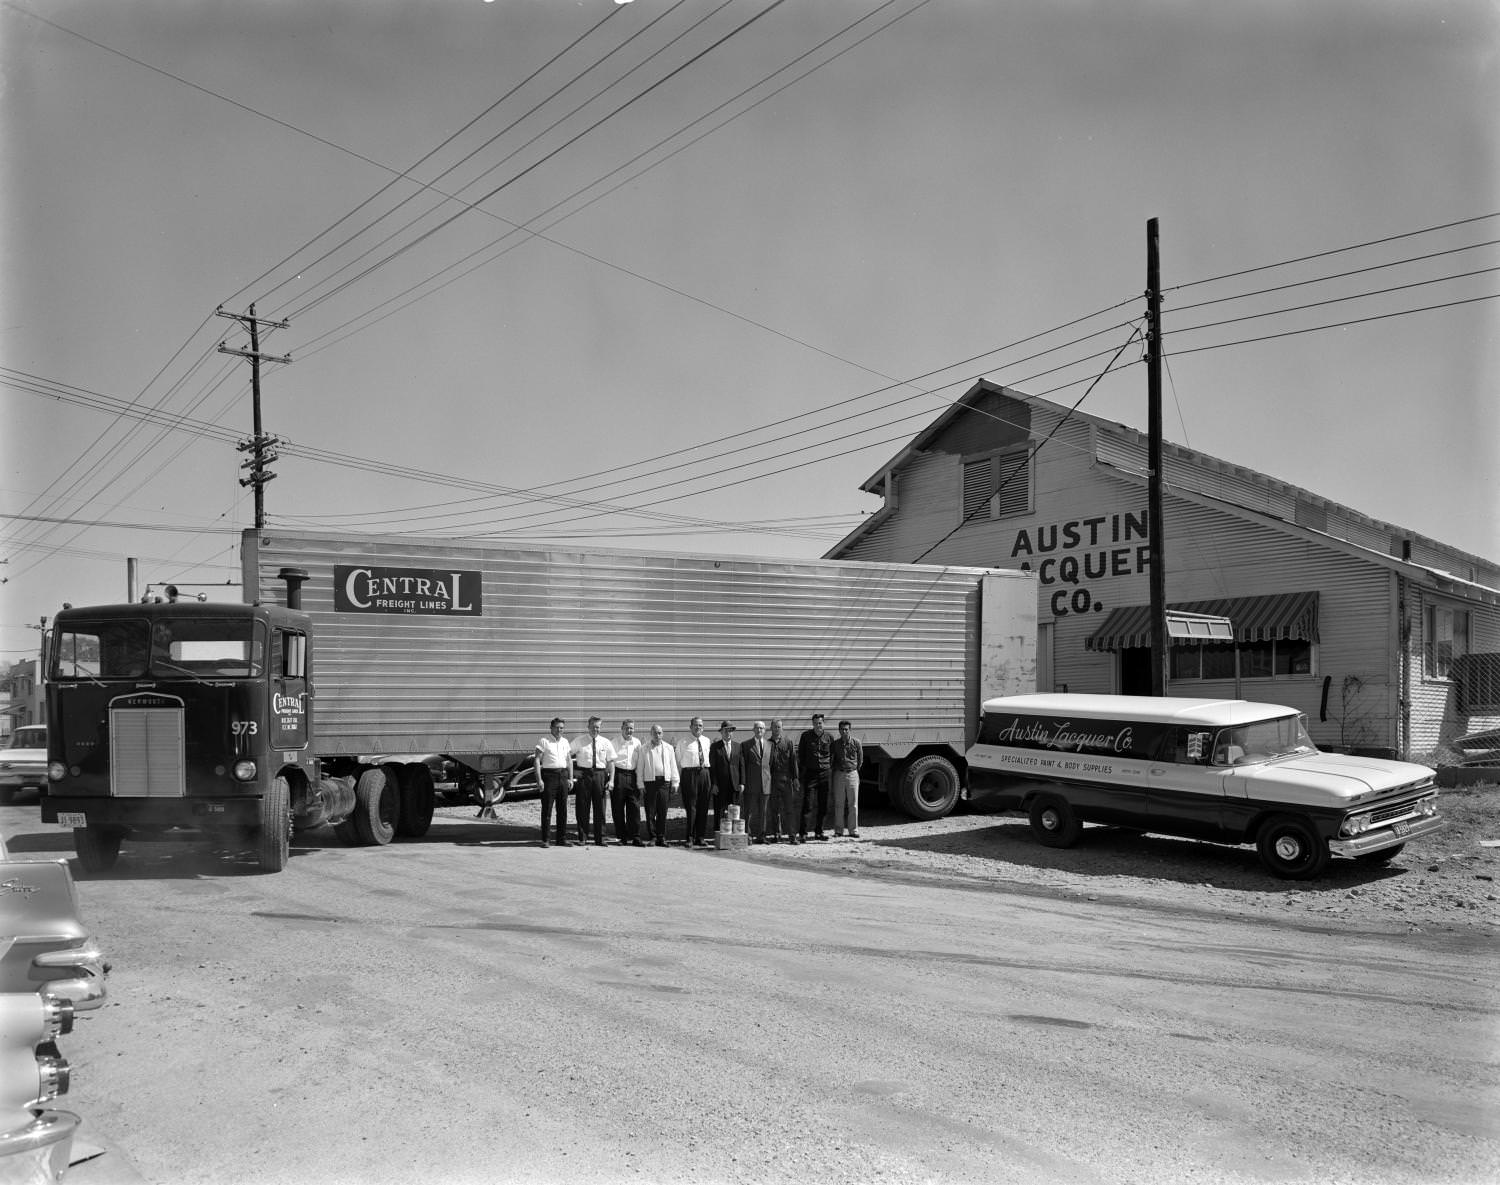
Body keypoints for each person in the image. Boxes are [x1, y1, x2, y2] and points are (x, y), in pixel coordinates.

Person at [570, 716, 616, 847]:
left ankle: (600, 838)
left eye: (598, 727)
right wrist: (573, 772)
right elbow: (566, 755)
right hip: (584, 775)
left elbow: (611, 762)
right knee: (582, 807)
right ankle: (582, 837)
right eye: (593, 726)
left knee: (600, 808)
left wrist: (611, 780)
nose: (595, 729)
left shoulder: (606, 742)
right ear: (588, 726)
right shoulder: (579, 741)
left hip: (600, 775)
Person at [533, 717, 573, 847]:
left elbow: (569, 761)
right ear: (551, 728)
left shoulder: (565, 742)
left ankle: (561, 839)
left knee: (562, 809)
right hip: (549, 776)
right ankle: (546, 839)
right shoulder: (544, 741)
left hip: (563, 776)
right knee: (547, 809)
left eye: (561, 728)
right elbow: (537, 761)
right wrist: (539, 780)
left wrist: (570, 778)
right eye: (557, 727)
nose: (559, 730)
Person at [639, 724, 679, 846]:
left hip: (664, 783)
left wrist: (675, 781)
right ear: (651, 734)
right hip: (650, 783)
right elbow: (640, 768)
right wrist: (640, 784)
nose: (658, 735)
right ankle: (653, 837)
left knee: (663, 811)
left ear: (662, 734)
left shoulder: (669, 748)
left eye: (660, 733)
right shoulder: (644, 748)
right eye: (655, 733)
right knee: (650, 812)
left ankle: (661, 837)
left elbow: (673, 765)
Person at [675, 716, 712, 847]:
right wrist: (677, 781)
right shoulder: (683, 742)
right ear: (690, 727)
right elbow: (678, 762)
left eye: (700, 725)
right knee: (691, 807)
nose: (698, 728)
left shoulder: (707, 741)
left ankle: (700, 837)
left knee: (703, 806)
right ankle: (690, 837)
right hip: (689, 775)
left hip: (704, 774)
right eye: (695, 725)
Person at [798, 713, 833, 840]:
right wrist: (803, 771)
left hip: (825, 774)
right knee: (808, 804)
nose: (818, 725)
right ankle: (803, 833)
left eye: (820, 723)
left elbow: (832, 755)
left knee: (823, 804)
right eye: (815, 723)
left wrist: (828, 768)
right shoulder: (806, 736)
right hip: (811, 774)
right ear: (812, 724)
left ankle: (819, 832)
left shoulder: (829, 737)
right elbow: (801, 755)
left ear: (824, 723)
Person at [766, 718, 801, 843]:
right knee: (774, 809)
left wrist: (796, 778)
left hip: (786, 779)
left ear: (782, 728)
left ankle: (792, 835)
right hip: (772, 779)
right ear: (771, 728)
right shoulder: (766, 743)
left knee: (789, 809)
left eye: (779, 727)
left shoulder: (788, 742)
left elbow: (793, 761)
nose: (777, 729)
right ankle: (776, 834)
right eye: (775, 726)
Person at [612, 719, 644, 846]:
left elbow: (640, 762)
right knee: (618, 808)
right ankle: (622, 837)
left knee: (634, 808)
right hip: (618, 775)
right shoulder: (614, 742)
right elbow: (610, 761)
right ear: (622, 728)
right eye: (627, 728)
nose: (629, 730)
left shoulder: (637, 743)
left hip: (632, 776)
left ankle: (635, 836)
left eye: (631, 728)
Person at [830, 719, 863, 839]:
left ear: (850, 730)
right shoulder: (835, 744)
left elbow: (860, 760)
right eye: (842, 729)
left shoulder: (856, 743)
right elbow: (832, 760)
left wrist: (854, 770)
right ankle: (838, 830)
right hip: (839, 774)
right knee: (839, 803)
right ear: (839, 730)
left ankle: (853, 830)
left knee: (853, 804)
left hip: (852, 774)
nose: (844, 731)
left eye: (846, 729)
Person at [740, 720, 771, 843]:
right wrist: (744, 782)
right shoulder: (746, 745)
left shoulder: (770, 745)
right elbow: (743, 765)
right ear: (753, 730)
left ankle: (762, 836)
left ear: (765, 730)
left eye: (762, 728)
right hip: (751, 784)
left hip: (765, 784)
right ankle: (748, 835)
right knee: (749, 811)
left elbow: (770, 764)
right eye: (757, 728)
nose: (759, 730)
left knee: (763, 812)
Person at [709, 720, 742, 836]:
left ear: (733, 733)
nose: (728, 733)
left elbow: (741, 766)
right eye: (725, 730)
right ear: (721, 732)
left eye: (730, 730)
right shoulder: (715, 747)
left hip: (734, 785)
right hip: (720, 786)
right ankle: (719, 835)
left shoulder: (738, 746)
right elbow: (712, 768)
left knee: (734, 812)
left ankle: (733, 835)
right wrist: (713, 784)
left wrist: (742, 783)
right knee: (719, 811)